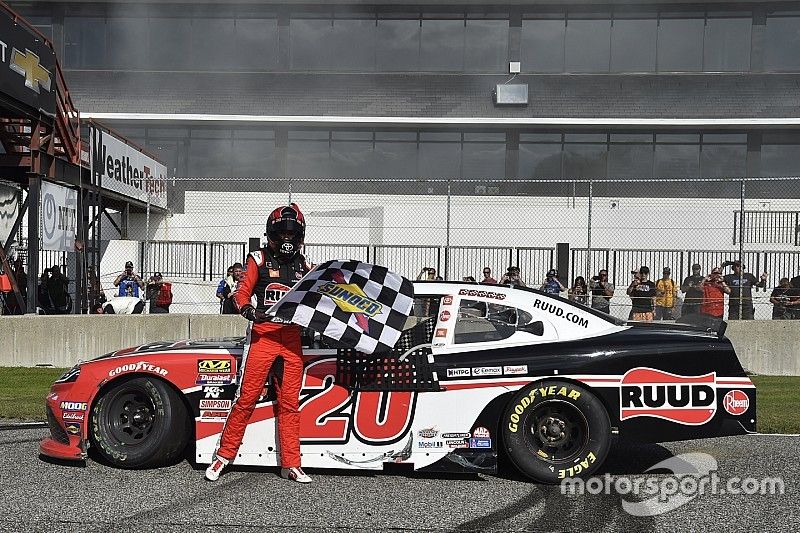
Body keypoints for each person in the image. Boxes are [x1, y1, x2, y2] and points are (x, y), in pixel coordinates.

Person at [206, 203, 313, 484]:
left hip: (291, 340)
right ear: (271, 234)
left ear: (300, 236)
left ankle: (292, 463)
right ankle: (223, 457)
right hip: (263, 335)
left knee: (290, 403)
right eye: (282, 233)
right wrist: (248, 311)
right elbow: (241, 292)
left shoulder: (306, 266)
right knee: (247, 398)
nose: (287, 239)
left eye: (292, 234)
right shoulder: (259, 259)